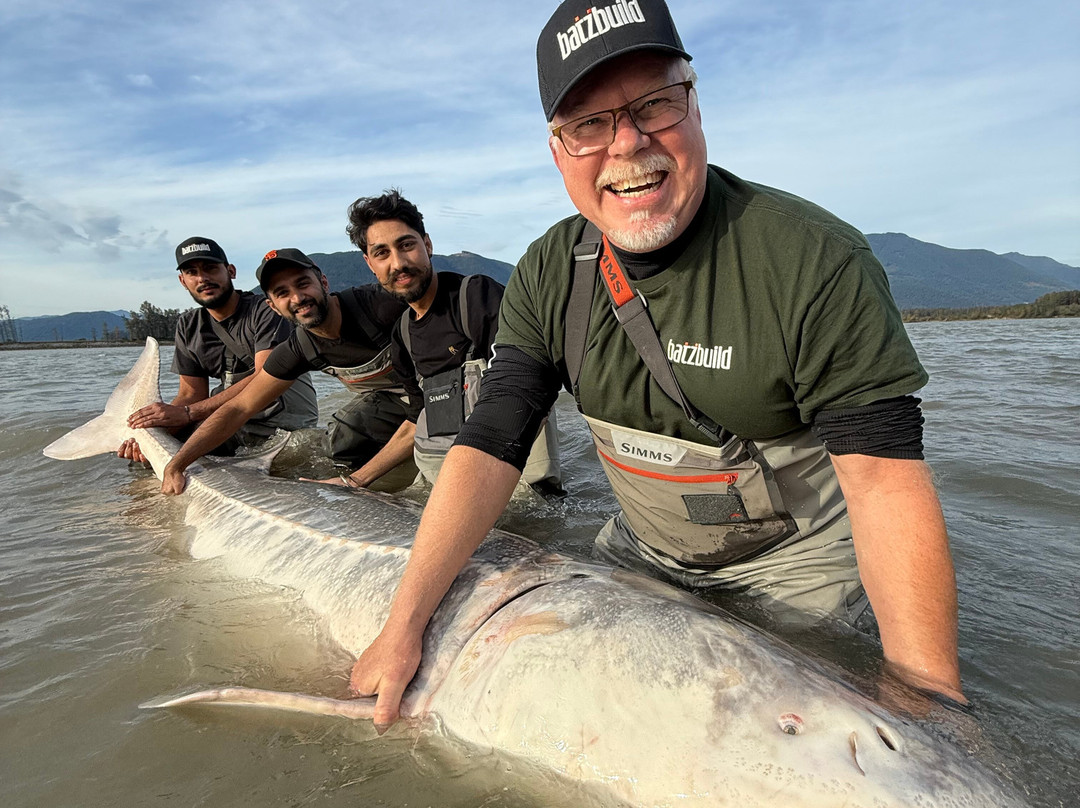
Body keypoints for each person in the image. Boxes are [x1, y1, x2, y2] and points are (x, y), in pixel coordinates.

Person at [349, 0, 966, 732]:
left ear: (695, 105)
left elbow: (884, 481)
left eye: (655, 104)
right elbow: (491, 442)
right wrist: (405, 622)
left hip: (795, 577)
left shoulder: (815, 260)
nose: (629, 143)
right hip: (644, 555)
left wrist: (930, 703)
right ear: (558, 150)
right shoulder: (549, 270)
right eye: (589, 123)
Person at [318, 190, 563, 496]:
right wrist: (354, 482)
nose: (398, 263)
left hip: (513, 482)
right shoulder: (403, 336)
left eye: (406, 245)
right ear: (370, 264)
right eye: (382, 253)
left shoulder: (476, 298)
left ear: (428, 245)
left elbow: (536, 385)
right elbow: (414, 422)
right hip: (444, 480)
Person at [158, 248, 410, 494]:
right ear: (274, 306)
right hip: (393, 399)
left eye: (303, 284)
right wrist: (177, 464)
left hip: (437, 390)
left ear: (323, 281)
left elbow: (434, 399)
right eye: (283, 293)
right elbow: (239, 407)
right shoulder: (299, 348)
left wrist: (356, 481)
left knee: (430, 459)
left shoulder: (382, 307)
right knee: (340, 445)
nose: (298, 298)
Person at [119, 236, 318, 462]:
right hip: (231, 421)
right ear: (183, 282)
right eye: (192, 272)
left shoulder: (265, 310)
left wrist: (188, 414)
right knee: (153, 458)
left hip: (282, 421)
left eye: (211, 268)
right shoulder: (188, 325)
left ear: (230, 271)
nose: (203, 278)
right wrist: (154, 434)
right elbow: (191, 394)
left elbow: (264, 375)